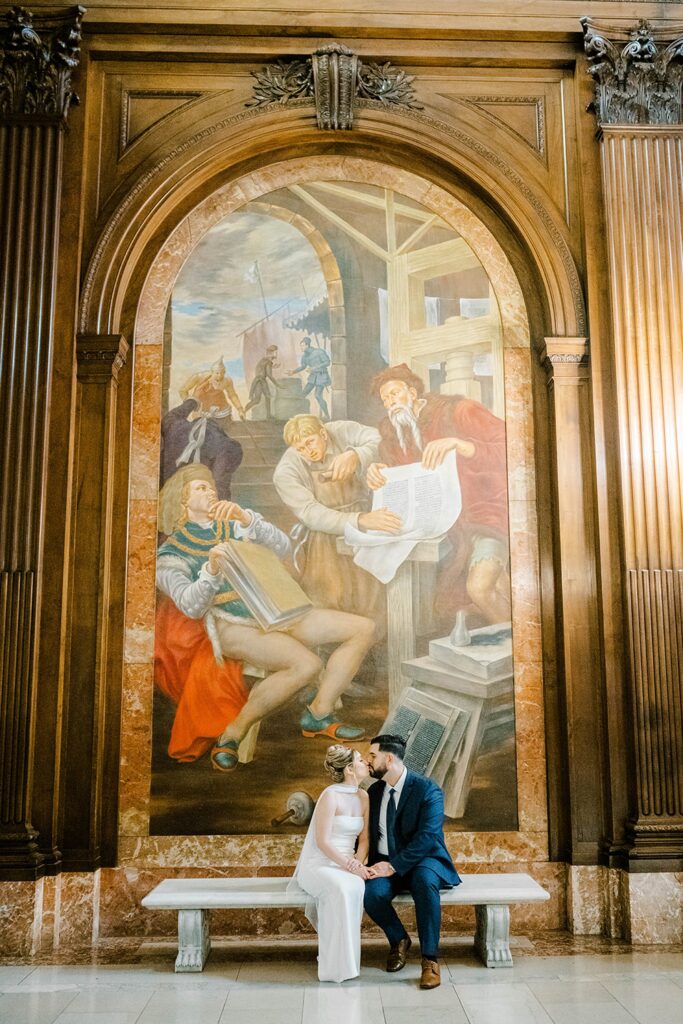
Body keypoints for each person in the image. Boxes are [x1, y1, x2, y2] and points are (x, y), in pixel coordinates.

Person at [154, 464, 375, 770]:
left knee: (364, 628)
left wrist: (246, 519)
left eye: (210, 485)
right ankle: (232, 734)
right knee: (307, 664)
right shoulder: (171, 553)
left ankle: (319, 712)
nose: (210, 490)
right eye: (200, 488)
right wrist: (212, 570)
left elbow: (283, 547)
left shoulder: (233, 524)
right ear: (182, 500)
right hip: (232, 624)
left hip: (276, 610)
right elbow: (191, 606)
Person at [367, 363, 510, 628]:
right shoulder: (392, 439)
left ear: (412, 392)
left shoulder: (458, 411)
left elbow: (512, 446)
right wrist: (379, 473)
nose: (390, 403)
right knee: (483, 594)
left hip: (487, 515)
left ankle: (517, 647)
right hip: (446, 530)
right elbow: (402, 481)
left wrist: (461, 445)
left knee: (480, 589)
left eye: (394, 393)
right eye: (385, 399)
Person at [273, 414, 398, 616]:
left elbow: (380, 439)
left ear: (323, 434)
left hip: (366, 526)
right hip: (325, 537)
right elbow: (311, 513)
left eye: (310, 442)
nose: (308, 451)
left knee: (370, 595)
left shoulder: (341, 430)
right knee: (330, 595)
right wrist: (360, 520)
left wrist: (356, 454)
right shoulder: (286, 471)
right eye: (300, 448)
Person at [363, 734, 461, 990]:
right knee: (371, 894)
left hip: (423, 859)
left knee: (424, 883)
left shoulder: (427, 789)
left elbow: (428, 837)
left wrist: (394, 866)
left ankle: (430, 960)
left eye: (372, 755)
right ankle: (399, 940)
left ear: (389, 758)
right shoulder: (374, 792)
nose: (367, 760)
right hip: (384, 861)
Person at [293, 745, 371, 982]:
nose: (366, 762)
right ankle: (331, 966)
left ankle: (347, 964)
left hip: (348, 863)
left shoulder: (364, 797)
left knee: (354, 886)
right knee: (340, 888)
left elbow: (364, 839)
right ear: (349, 769)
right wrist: (351, 866)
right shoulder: (330, 796)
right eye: (360, 760)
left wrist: (358, 863)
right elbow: (323, 842)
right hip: (321, 864)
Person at [160, 397, 243, 499]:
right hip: (196, 503)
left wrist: (192, 403)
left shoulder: (175, 426)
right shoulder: (227, 446)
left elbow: (171, 416)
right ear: (225, 421)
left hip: (165, 497)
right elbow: (219, 483)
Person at [179, 356, 246, 423]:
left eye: (222, 373)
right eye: (217, 373)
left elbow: (232, 395)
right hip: (201, 413)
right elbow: (183, 390)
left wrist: (240, 409)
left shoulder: (227, 381)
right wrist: (190, 405)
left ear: (224, 372)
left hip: (222, 413)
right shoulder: (199, 377)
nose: (219, 376)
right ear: (212, 372)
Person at [288, 336, 331, 420]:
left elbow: (327, 362)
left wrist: (314, 368)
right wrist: (293, 371)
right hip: (313, 377)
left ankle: (327, 415)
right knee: (302, 394)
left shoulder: (319, 352)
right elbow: (303, 366)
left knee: (318, 395)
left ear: (307, 345)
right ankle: (299, 416)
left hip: (321, 376)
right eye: (300, 345)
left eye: (303, 345)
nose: (301, 347)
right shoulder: (304, 356)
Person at [243, 344, 284, 419]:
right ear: (271, 353)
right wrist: (277, 384)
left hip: (260, 380)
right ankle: (243, 411)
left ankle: (268, 416)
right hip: (260, 381)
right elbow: (269, 375)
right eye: (276, 352)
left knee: (267, 397)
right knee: (257, 400)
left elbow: (263, 369)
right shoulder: (268, 362)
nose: (277, 354)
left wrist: (273, 367)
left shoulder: (264, 360)